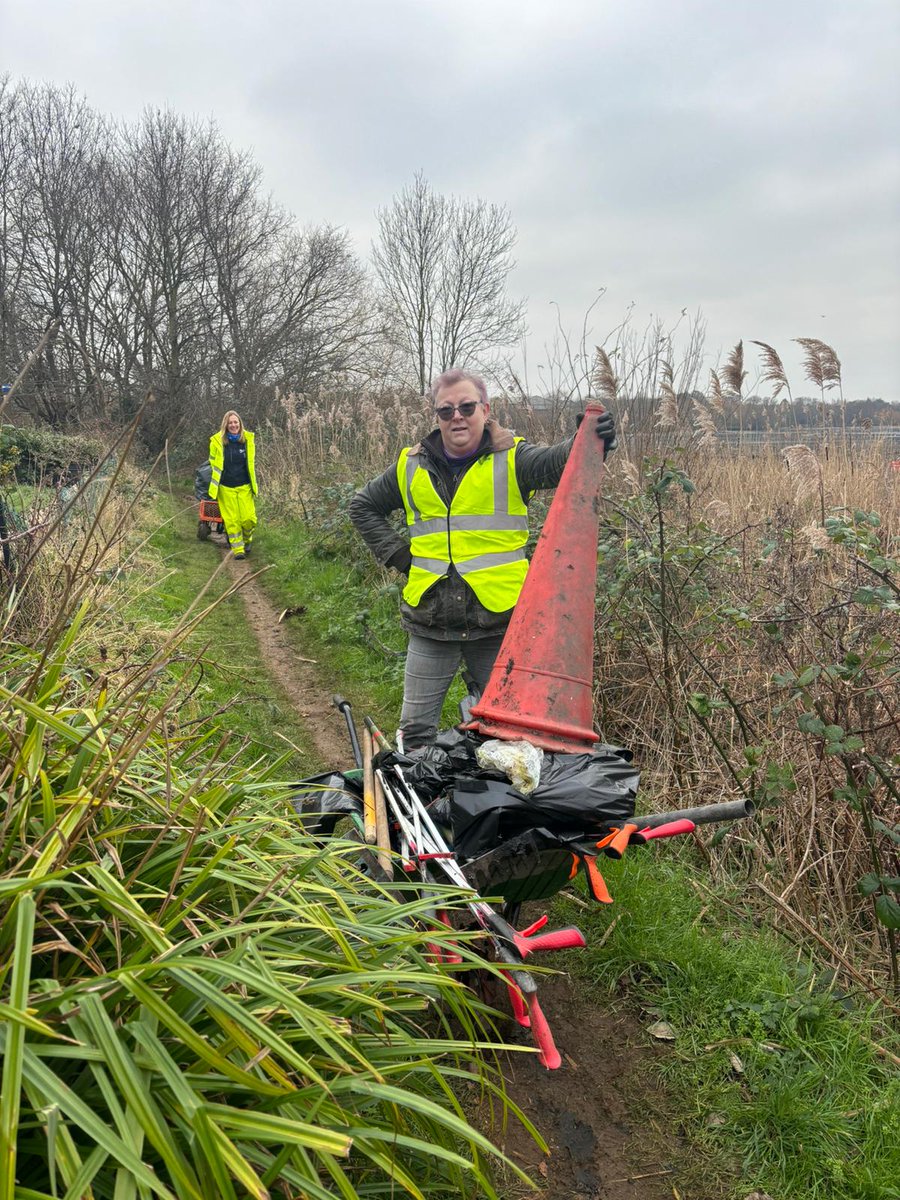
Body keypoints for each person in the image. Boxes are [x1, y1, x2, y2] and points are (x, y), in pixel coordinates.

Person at [349, 368, 616, 749]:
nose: (456, 417)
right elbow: (363, 506)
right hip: (431, 624)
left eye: (467, 407)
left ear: (485, 410)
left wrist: (587, 440)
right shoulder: (410, 465)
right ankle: (417, 789)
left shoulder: (514, 458)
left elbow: (560, 463)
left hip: (499, 626)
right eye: (445, 410)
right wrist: (401, 557)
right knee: (415, 735)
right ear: (436, 415)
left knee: (508, 736)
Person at [208, 410, 258, 559]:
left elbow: (250, 463)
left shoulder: (248, 440)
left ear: (240, 424)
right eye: (230, 423)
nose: (233, 425)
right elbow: (212, 462)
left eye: (236, 422)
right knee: (232, 521)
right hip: (225, 487)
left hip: (245, 486)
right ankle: (238, 550)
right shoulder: (217, 442)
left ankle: (247, 540)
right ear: (226, 425)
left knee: (248, 519)